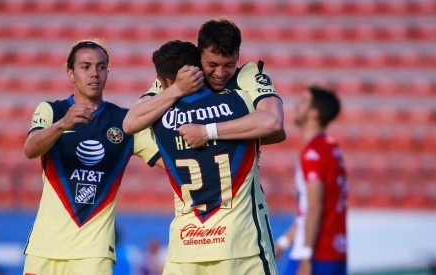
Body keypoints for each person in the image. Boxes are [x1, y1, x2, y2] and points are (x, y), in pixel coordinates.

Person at [123, 18, 286, 275]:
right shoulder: (180, 83)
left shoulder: (246, 76)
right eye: (212, 65)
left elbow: (274, 125)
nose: (220, 73)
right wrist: (178, 88)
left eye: (228, 65)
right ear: (199, 56)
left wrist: (207, 133)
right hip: (226, 246)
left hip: (214, 244)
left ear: (238, 57)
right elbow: (130, 122)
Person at [22, 39, 163, 275]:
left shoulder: (125, 121)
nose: (94, 74)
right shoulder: (51, 110)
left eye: (101, 67)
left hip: (93, 252)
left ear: (108, 71)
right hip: (44, 248)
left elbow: (167, 161)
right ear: (71, 73)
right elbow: (30, 149)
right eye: (85, 67)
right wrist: (63, 125)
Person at [274, 86, 347, 275]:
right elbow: (309, 210)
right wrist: (283, 243)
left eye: (303, 101)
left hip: (315, 254)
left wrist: (306, 256)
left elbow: (314, 207)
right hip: (336, 252)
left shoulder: (312, 153)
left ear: (313, 114)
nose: (296, 105)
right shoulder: (332, 149)